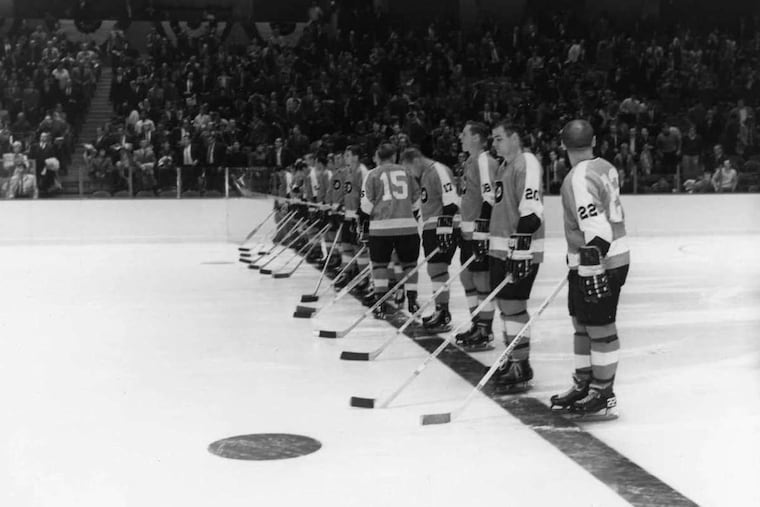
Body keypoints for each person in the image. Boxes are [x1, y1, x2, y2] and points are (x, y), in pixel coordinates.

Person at [551, 119, 630, 420]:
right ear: (594, 141)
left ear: (562, 145)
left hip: (600, 263)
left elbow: (598, 231)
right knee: (581, 323)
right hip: (597, 260)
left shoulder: (577, 177)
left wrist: (590, 266)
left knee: (600, 327)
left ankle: (603, 390)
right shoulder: (605, 166)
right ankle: (585, 383)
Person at [488, 122, 545, 392]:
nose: (495, 144)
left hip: (520, 251)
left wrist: (521, 247)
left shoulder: (527, 162)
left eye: (500, 139)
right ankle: (513, 357)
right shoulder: (503, 167)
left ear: (515, 138)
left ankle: (521, 364)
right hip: (501, 249)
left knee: (513, 305)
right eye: (494, 140)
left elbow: (532, 212)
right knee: (505, 305)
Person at [400, 147, 459, 332]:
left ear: (416, 160)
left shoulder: (438, 170)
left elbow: (451, 202)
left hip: (441, 228)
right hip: (431, 228)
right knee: (435, 270)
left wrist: (444, 229)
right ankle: (440, 310)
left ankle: (443, 312)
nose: (410, 173)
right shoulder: (425, 174)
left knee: (438, 268)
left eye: (409, 169)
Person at [360, 143, 421, 319]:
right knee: (409, 264)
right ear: (394, 157)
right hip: (407, 227)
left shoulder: (372, 174)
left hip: (381, 228)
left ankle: (380, 304)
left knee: (380, 265)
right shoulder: (407, 173)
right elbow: (417, 201)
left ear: (378, 157)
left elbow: (366, 205)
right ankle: (412, 301)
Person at [455, 121, 498, 351]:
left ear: (476, 138)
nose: (460, 137)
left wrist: (482, 230)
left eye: (464, 133)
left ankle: (485, 327)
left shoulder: (484, 162)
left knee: (481, 279)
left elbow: (489, 197)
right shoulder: (471, 161)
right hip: (468, 229)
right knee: (466, 278)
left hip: (479, 232)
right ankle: (476, 323)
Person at [333, 145, 370, 291]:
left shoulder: (362, 171)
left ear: (355, 156)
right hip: (348, 214)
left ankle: (364, 276)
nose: (345, 158)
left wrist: (361, 214)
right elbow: (347, 191)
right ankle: (347, 272)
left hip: (357, 216)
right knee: (346, 244)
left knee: (358, 246)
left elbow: (364, 193)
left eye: (348, 155)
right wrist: (341, 204)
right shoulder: (348, 171)